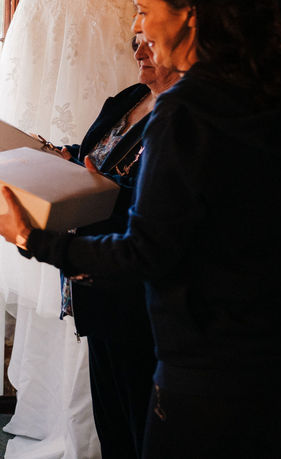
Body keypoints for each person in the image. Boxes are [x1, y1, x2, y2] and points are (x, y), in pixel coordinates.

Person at [0, 0, 281, 459]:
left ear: (188, 13)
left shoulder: (186, 110)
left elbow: (145, 252)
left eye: (145, 10)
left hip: (206, 364)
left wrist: (32, 237)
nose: (138, 26)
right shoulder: (271, 93)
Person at [56, 34, 177, 459]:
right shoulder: (132, 97)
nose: (139, 51)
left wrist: (101, 187)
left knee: (138, 417)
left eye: (151, 41)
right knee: (109, 417)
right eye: (135, 40)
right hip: (96, 284)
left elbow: (158, 200)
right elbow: (94, 157)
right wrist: (49, 155)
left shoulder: (182, 117)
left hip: (135, 286)